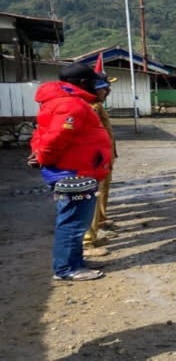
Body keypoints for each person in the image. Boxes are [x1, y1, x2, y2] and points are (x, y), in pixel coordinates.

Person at [30, 62, 114, 282]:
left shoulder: (63, 101)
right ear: (84, 82)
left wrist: (40, 155)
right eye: (93, 82)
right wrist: (43, 157)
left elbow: (42, 135)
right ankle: (67, 268)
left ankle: (76, 262)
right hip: (73, 173)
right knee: (73, 222)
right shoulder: (70, 105)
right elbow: (55, 138)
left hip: (77, 170)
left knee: (77, 221)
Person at [82, 76, 117, 257]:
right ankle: (88, 241)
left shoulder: (97, 106)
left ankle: (95, 230)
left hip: (103, 158)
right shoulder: (91, 108)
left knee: (100, 194)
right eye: (103, 88)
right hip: (94, 161)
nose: (106, 91)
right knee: (92, 198)